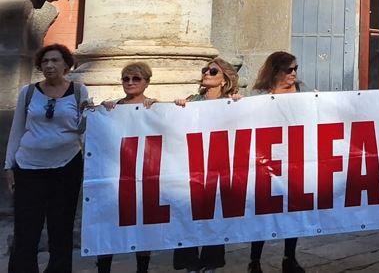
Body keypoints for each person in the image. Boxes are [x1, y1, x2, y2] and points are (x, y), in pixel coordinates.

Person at [5, 44, 92, 273]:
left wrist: (92, 113)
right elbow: (17, 130)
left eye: (55, 60)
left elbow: (83, 129)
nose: (50, 65)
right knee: (26, 228)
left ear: (66, 65)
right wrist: (8, 166)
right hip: (28, 166)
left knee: (61, 227)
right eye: (45, 61)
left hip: (66, 166)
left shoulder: (79, 91)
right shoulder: (28, 92)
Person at [172, 58, 242, 272]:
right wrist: (178, 107)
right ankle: (190, 263)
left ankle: (210, 263)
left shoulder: (232, 102)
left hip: (219, 165)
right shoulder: (192, 100)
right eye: (205, 70)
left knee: (216, 213)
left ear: (224, 80)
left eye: (213, 71)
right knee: (187, 212)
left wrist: (241, 104)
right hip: (192, 164)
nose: (207, 74)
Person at [246, 51, 306, 273]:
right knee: (263, 210)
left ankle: (289, 257)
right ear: (276, 71)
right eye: (289, 69)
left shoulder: (299, 91)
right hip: (267, 159)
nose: (293, 73)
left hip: (294, 157)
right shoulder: (263, 93)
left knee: (294, 208)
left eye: (295, 69)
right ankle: (255, 261)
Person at [97, 62, 158, 272]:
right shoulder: (111, 108)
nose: (130, 83)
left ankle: (142, 268)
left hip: (144, 174)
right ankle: (103, 267)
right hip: (115, 173)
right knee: (108, 222)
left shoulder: (156, 108)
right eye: (126, 79)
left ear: (147, 82)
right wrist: (99, 112)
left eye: (136, 79)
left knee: (143, 224)